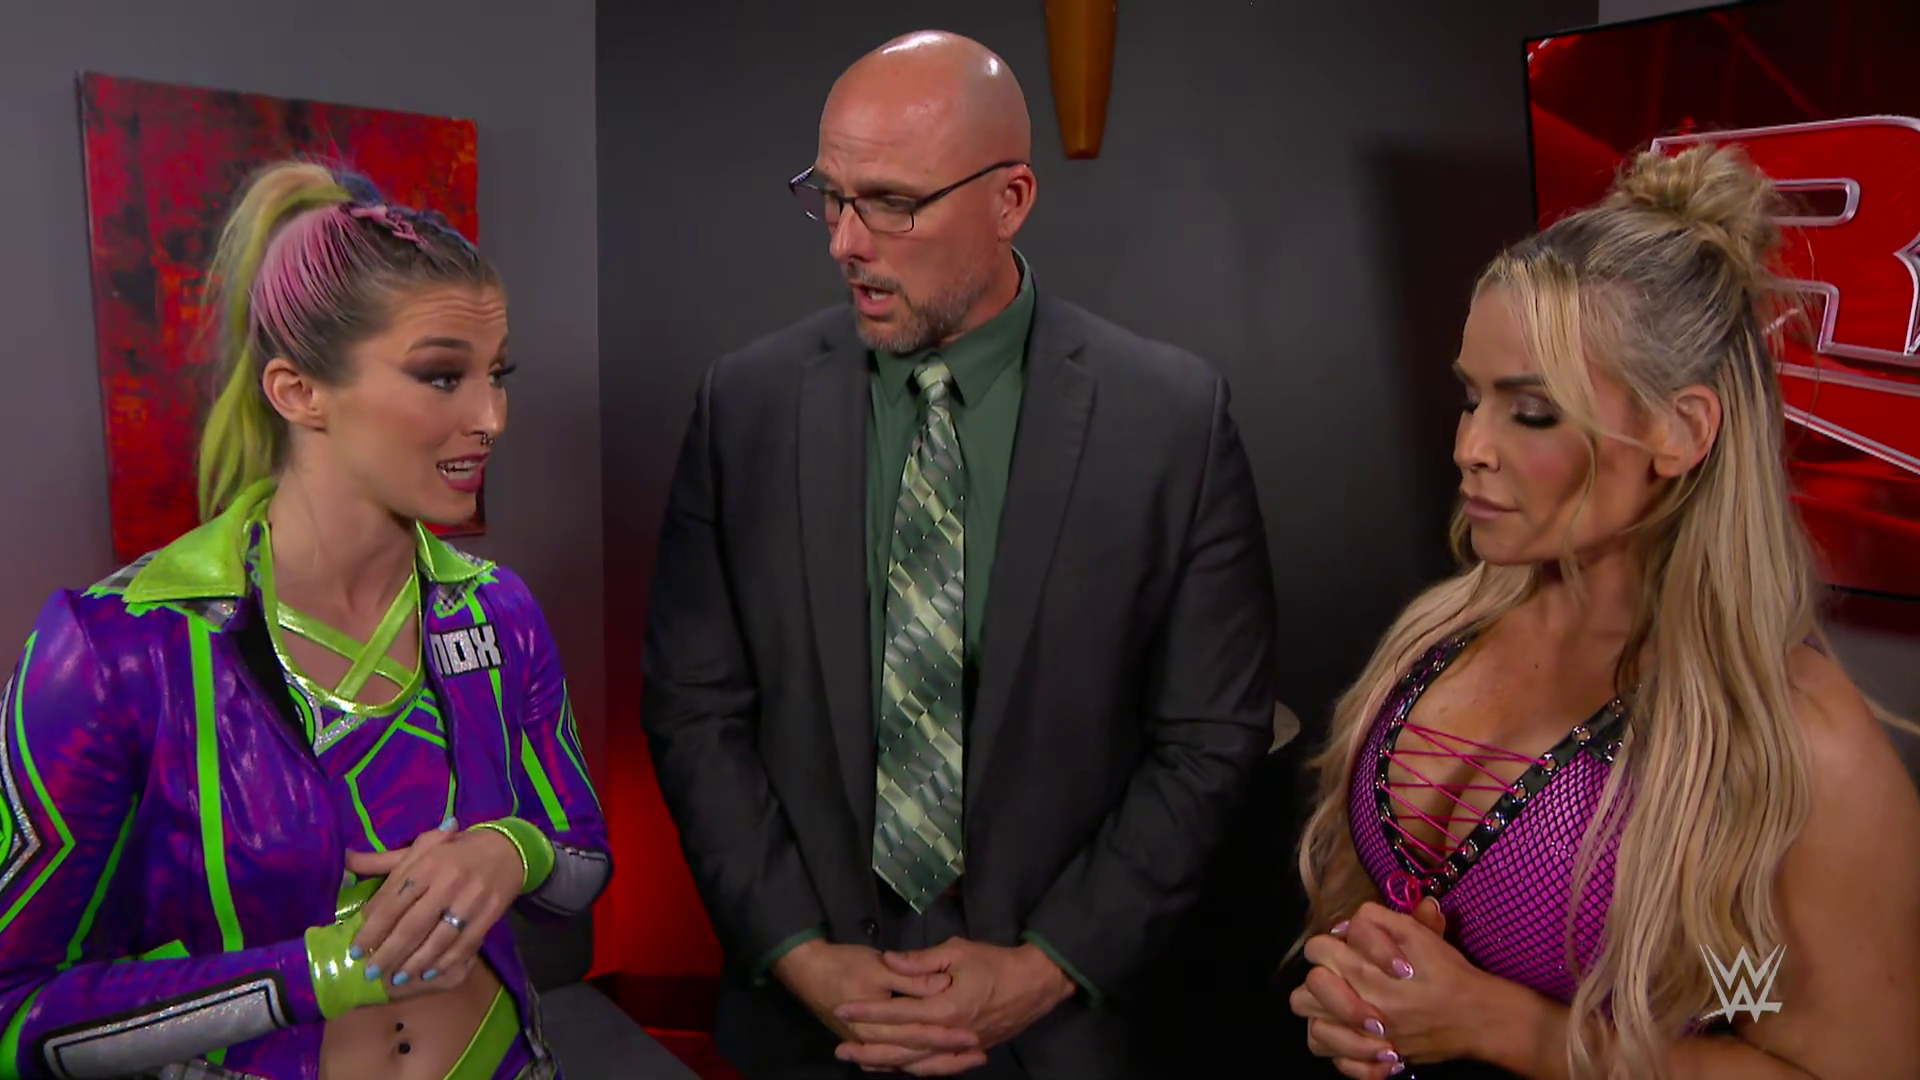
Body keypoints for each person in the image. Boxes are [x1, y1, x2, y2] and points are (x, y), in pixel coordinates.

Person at [640, 29, 1278, 1080]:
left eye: (892, 204)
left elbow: (1210, 738)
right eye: (830, 197)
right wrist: (799, 954)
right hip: (806, 1033)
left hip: (1061, 1039)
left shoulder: (1171, 421)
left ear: (1010, 199)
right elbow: (695, 709)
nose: (846, 242)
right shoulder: (743, 406)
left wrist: (1047, 966)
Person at [1288, 144, 1920, 1079]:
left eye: (1531, 410)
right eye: (1471, 397)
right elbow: (1365, 920)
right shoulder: (1437, 636)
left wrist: (1507, 1028)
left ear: (1680, 430)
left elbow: (1812, 1053)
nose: (1469, 447)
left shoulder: (1790, 748)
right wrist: (1355, 991)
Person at [0, 162, 610, 1080]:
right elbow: (17, 1012)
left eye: (497, 375)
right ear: (297, 392)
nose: (490, 418)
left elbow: (581, 862)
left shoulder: (498, 611)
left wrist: (509, 850)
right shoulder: (115, 651)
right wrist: (314, 975)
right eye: (442, 376)